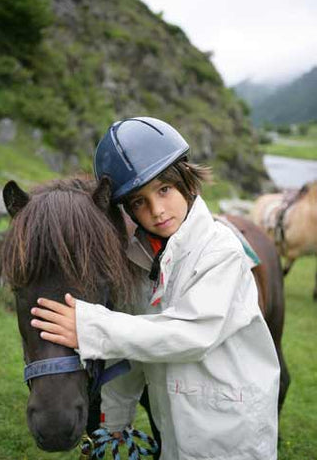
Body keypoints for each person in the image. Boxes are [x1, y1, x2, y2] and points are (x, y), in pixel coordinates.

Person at [31, 117, 280, 460]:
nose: (157, 211)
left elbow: (192, 333)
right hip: (176, 428)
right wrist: (114, 425)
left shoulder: (221, 252)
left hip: (230, 431)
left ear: (186, 181)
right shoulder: (141, 261)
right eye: (138, 202)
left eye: (164, 190)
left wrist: (88, 326)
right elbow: (132, 348)